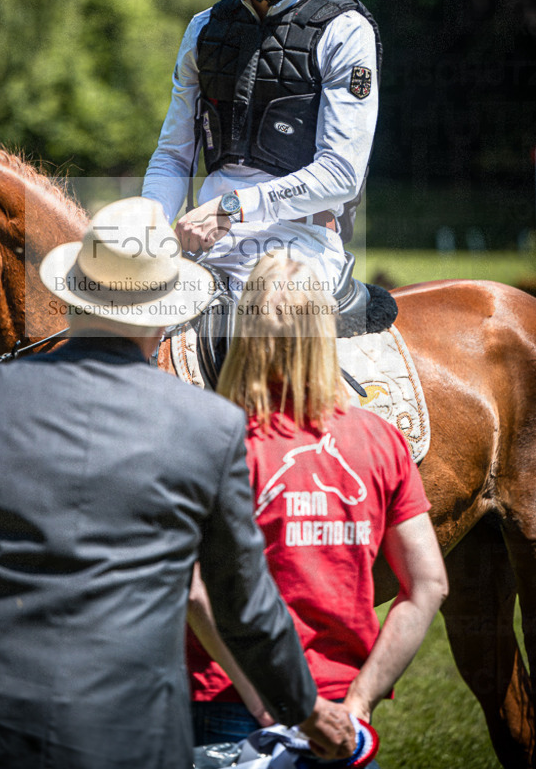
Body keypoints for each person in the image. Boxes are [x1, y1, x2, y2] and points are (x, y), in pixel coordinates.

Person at [0, 197, 357, 769]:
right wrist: (305, 708)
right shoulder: (209, 426)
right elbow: (245, 605)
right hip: (129, 739)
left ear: (73, 295)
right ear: (164, 313)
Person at [187, 252, 448, 761]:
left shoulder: (212, 441)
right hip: (340, 710)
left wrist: (266, 701)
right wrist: (359, 702)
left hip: (226, 699)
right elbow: (429, 585)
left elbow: (197, 593)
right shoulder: (382, 441)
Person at [142, 0, 381, 296]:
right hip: (205, 242)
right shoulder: (203, 29)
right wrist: (150, 223)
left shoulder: (345, 31)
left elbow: (340, 174)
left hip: (301, 250)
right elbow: (174, 156)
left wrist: (233, 207)